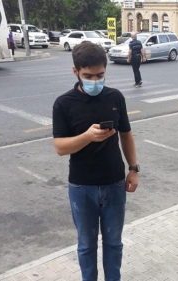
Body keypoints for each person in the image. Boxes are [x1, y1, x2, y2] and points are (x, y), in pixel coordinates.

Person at [52, 41, 139, 281]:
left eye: (100, 75)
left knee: (114, 243)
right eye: (88, 76)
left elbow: (126, 134)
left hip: (114, 183)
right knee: (86, 246)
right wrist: (87, 136)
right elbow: (60, 147)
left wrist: (133, 169)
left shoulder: (115, 97)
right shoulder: (63, 103)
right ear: (75, 72)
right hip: (82, 187)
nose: (95, 80)